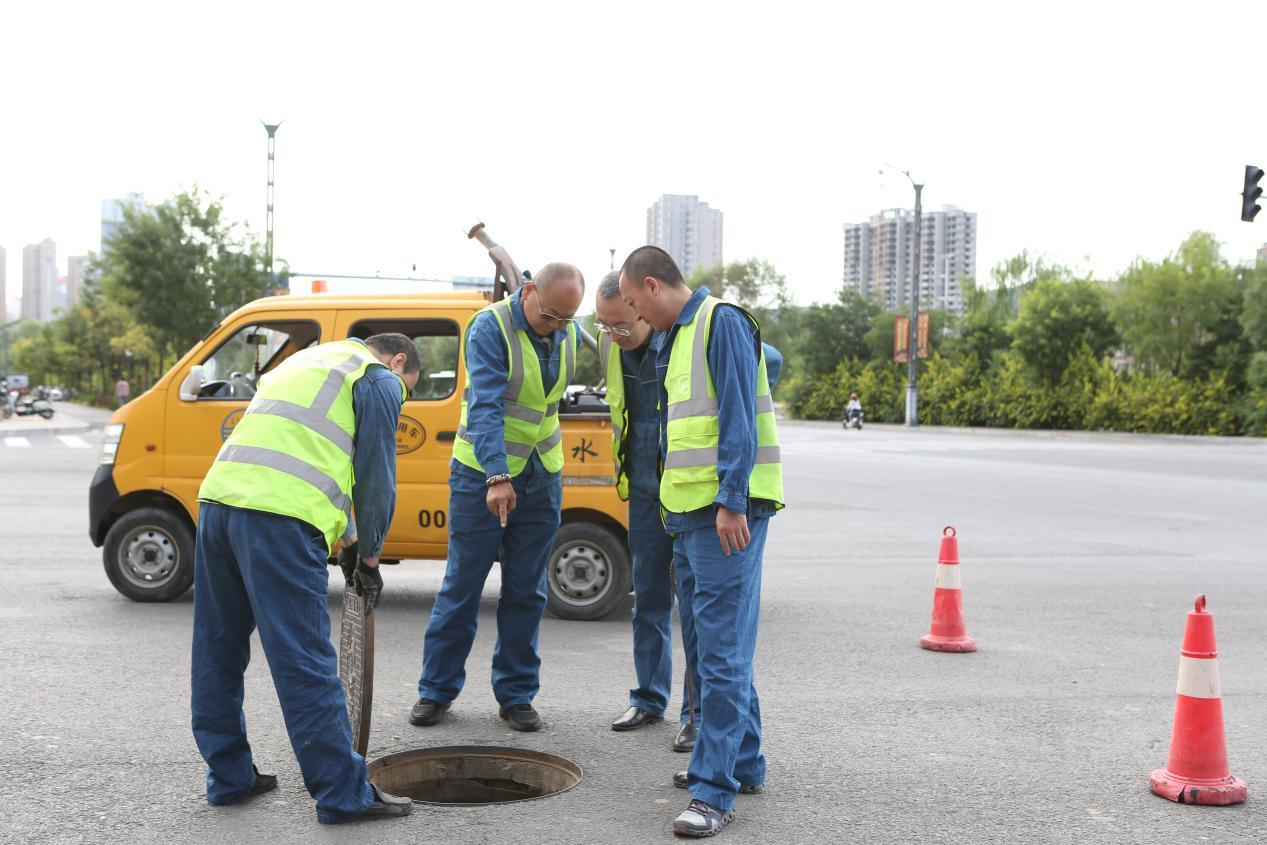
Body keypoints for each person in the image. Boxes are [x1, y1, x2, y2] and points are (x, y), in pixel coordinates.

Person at [191, 333, 420, 824]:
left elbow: (316, 453)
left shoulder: (306, 362)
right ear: (398, 362)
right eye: (410, 388)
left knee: (218, 647)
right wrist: (372, 557)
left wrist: (349, 541)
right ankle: (342, 795)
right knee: (304, 657)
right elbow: (375, 476)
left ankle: (229, 778)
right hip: (281, 519)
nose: (402, 397)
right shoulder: (377, 379)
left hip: (219, 503)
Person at [619, 246, 784, 838]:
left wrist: (733, 499)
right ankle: (745, 763)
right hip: (686, 515)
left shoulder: (722, 322)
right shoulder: (673, 337)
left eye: (637, 305)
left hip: (723, 515)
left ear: (655, 285)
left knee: (719, 655)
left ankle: (713, 793)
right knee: (716, 645)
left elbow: (738, 414)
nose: (638, 317)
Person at [411, 263, 583, 733]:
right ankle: (436, 690)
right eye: (550, 316)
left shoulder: (567, 326)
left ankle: (516, 694)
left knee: (527, 591)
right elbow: (484, 403)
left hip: (542, 474)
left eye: (566, 319)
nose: (557, 327)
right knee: (462, 586)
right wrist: (497, 476)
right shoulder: (488, 327)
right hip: (482, 476)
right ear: (528, 292)